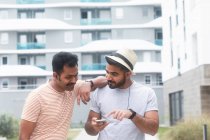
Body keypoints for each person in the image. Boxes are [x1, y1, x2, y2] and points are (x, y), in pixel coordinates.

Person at [19, 51, 107, 140]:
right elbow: (23, 137)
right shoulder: (37, 96)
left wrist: (89, 83)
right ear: (55, 75)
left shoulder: (73, 87)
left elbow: (105, 80)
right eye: (68, 77)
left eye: (76, 75)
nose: (74, 80)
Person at [85, 49, 159, 140]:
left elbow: (153, 130)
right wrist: (93, 127)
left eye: (114, 74)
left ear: (128, 74)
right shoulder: (99, 91)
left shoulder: (147, 93)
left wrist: (132, 115)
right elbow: (89, 129)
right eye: (107, 72)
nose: (108, 77)